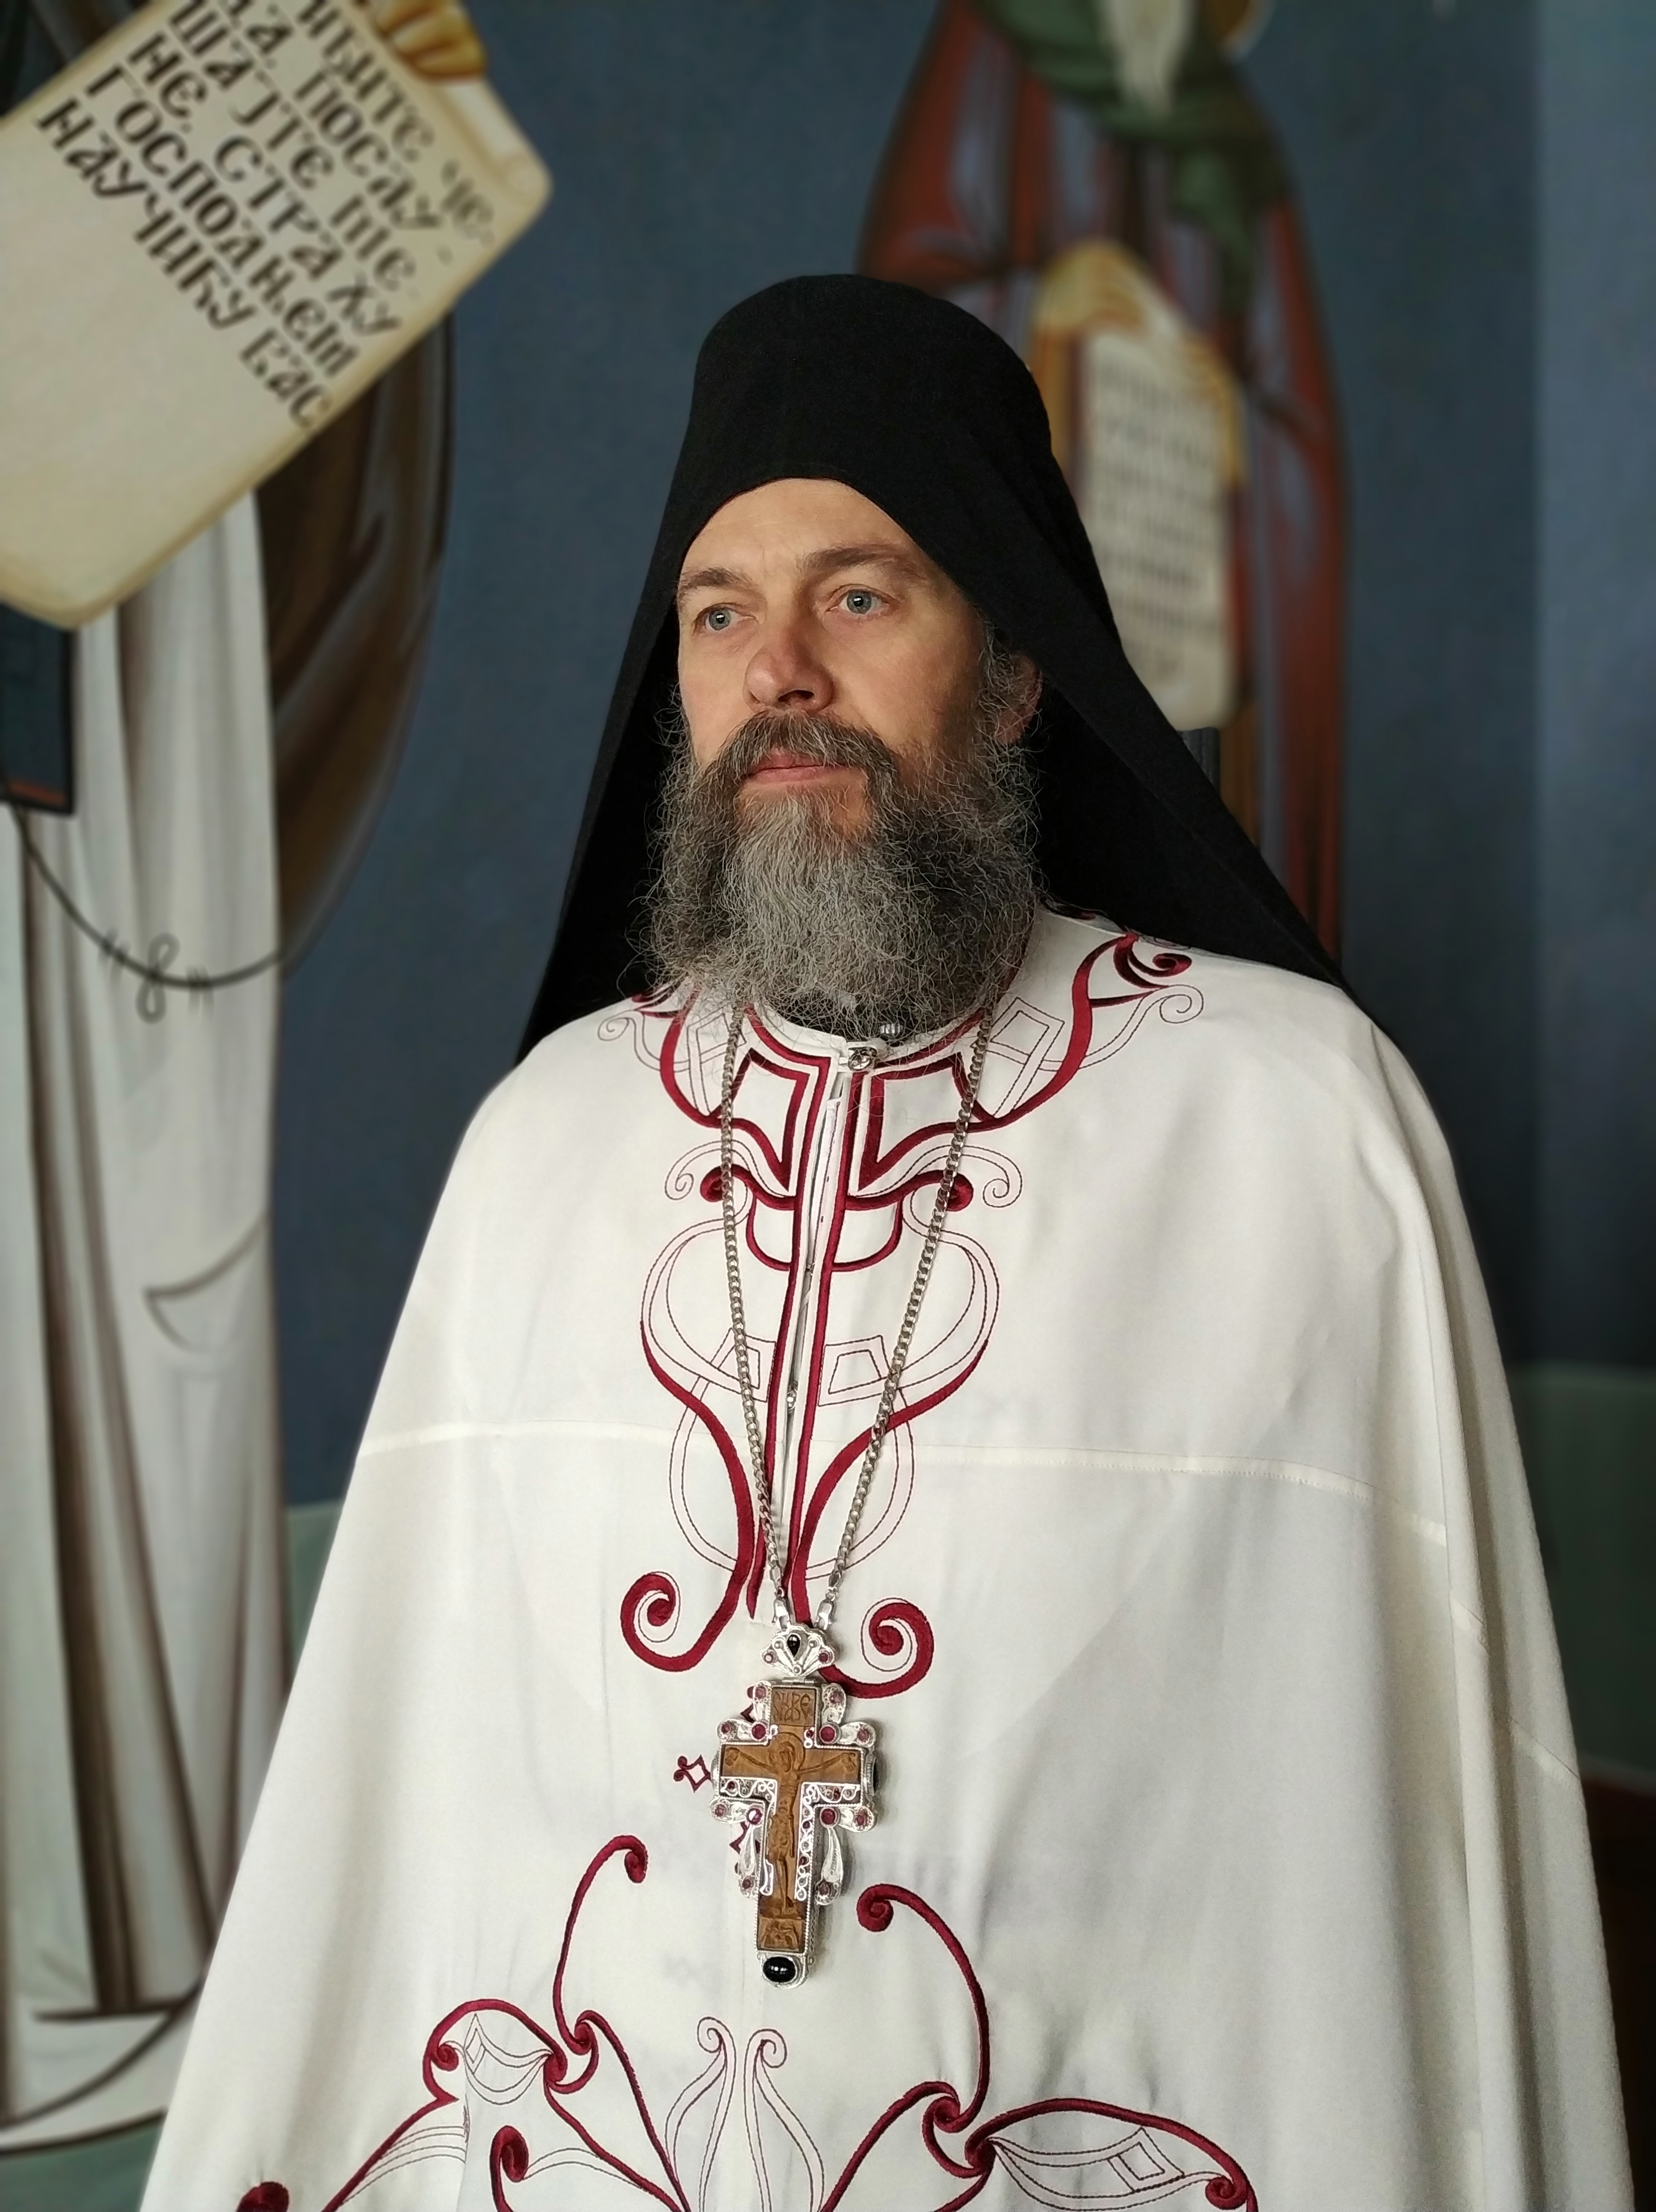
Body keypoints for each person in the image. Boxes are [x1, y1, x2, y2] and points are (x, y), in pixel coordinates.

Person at [141, 277, 1630, 2212]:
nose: (778, 672)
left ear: (1014, 673)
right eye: (718, 612)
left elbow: (1405, 1838)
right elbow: (402, 1820)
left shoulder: (1290, 1124)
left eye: (857, 595)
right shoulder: (544, 1145)